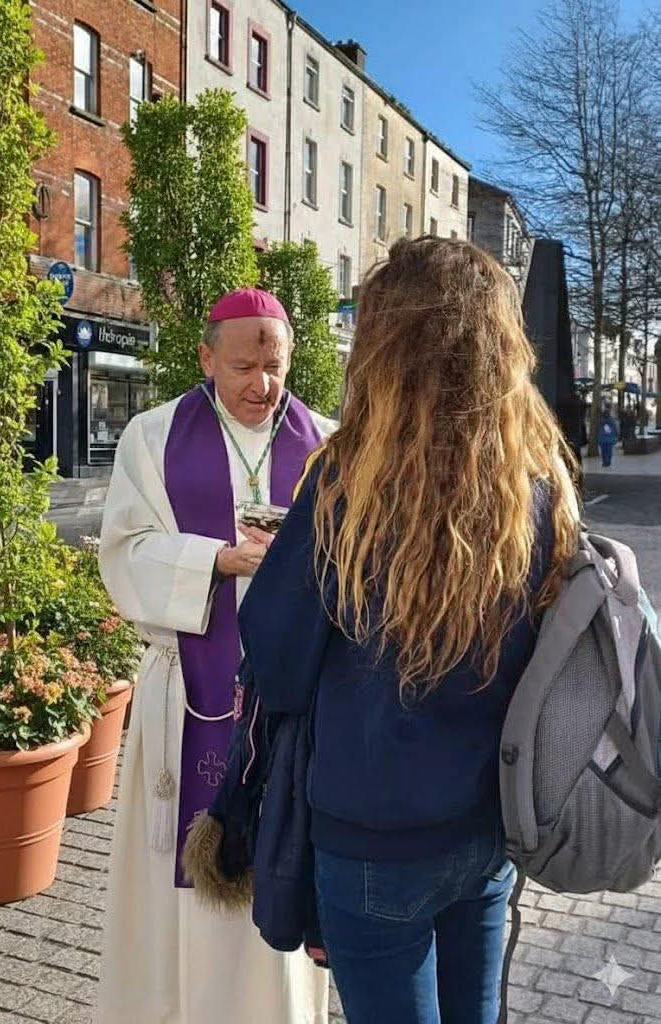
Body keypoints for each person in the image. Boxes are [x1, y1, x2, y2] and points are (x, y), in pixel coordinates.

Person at [239, 238, 579, 1024]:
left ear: (382, 346)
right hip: (491, 825)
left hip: (372, 831)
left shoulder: (345, 479)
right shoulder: (537, 481)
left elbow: (279, 666)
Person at [96, 288, 332, 1024]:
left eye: (274, 365)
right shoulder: (152, 434)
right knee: (176, 885)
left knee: (283, 858)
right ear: (205, 357)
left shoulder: (329, 439)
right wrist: (218, 561)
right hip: (185, 696)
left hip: (294, 704)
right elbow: (124, 552)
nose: (261, 384)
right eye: (242, 366)